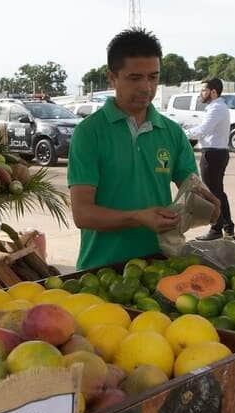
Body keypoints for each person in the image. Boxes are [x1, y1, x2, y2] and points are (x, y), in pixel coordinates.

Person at [66, 28, 220, 270]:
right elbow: (83, 214)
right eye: (135, 78)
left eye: (153, 77)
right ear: (112, 77)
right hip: (101, 269)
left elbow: (192, 191)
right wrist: (138, 217)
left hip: (160, 264)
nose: (147, 88)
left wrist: (207, 206)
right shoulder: (89, 133)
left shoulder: (172, 132)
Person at [187, 77, 234, 240]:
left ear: (213, 92)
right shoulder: (217, 107)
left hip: (212, 154)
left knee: (212, 193)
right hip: (218, 153)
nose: (201, 93)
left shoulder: (216, 108)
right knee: (219, 192)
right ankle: (228, 227)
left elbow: (203, 130)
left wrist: (182, 134)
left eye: (204, 90)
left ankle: (216, 229)